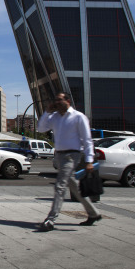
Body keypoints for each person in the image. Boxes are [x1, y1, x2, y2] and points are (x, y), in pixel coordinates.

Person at [36, 92, 101, 231]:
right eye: (56, 101)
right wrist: (47, 112)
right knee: (74, 186)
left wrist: (89, 160)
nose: (58, 102)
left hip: (72, 155)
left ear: (68, 101)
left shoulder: (78, 117)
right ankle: (93, 213)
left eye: (60, 100)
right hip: (59, 156)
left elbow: (87, 140)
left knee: (60, 186)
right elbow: (40, 128)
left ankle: (51, 219)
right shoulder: (54, 117)